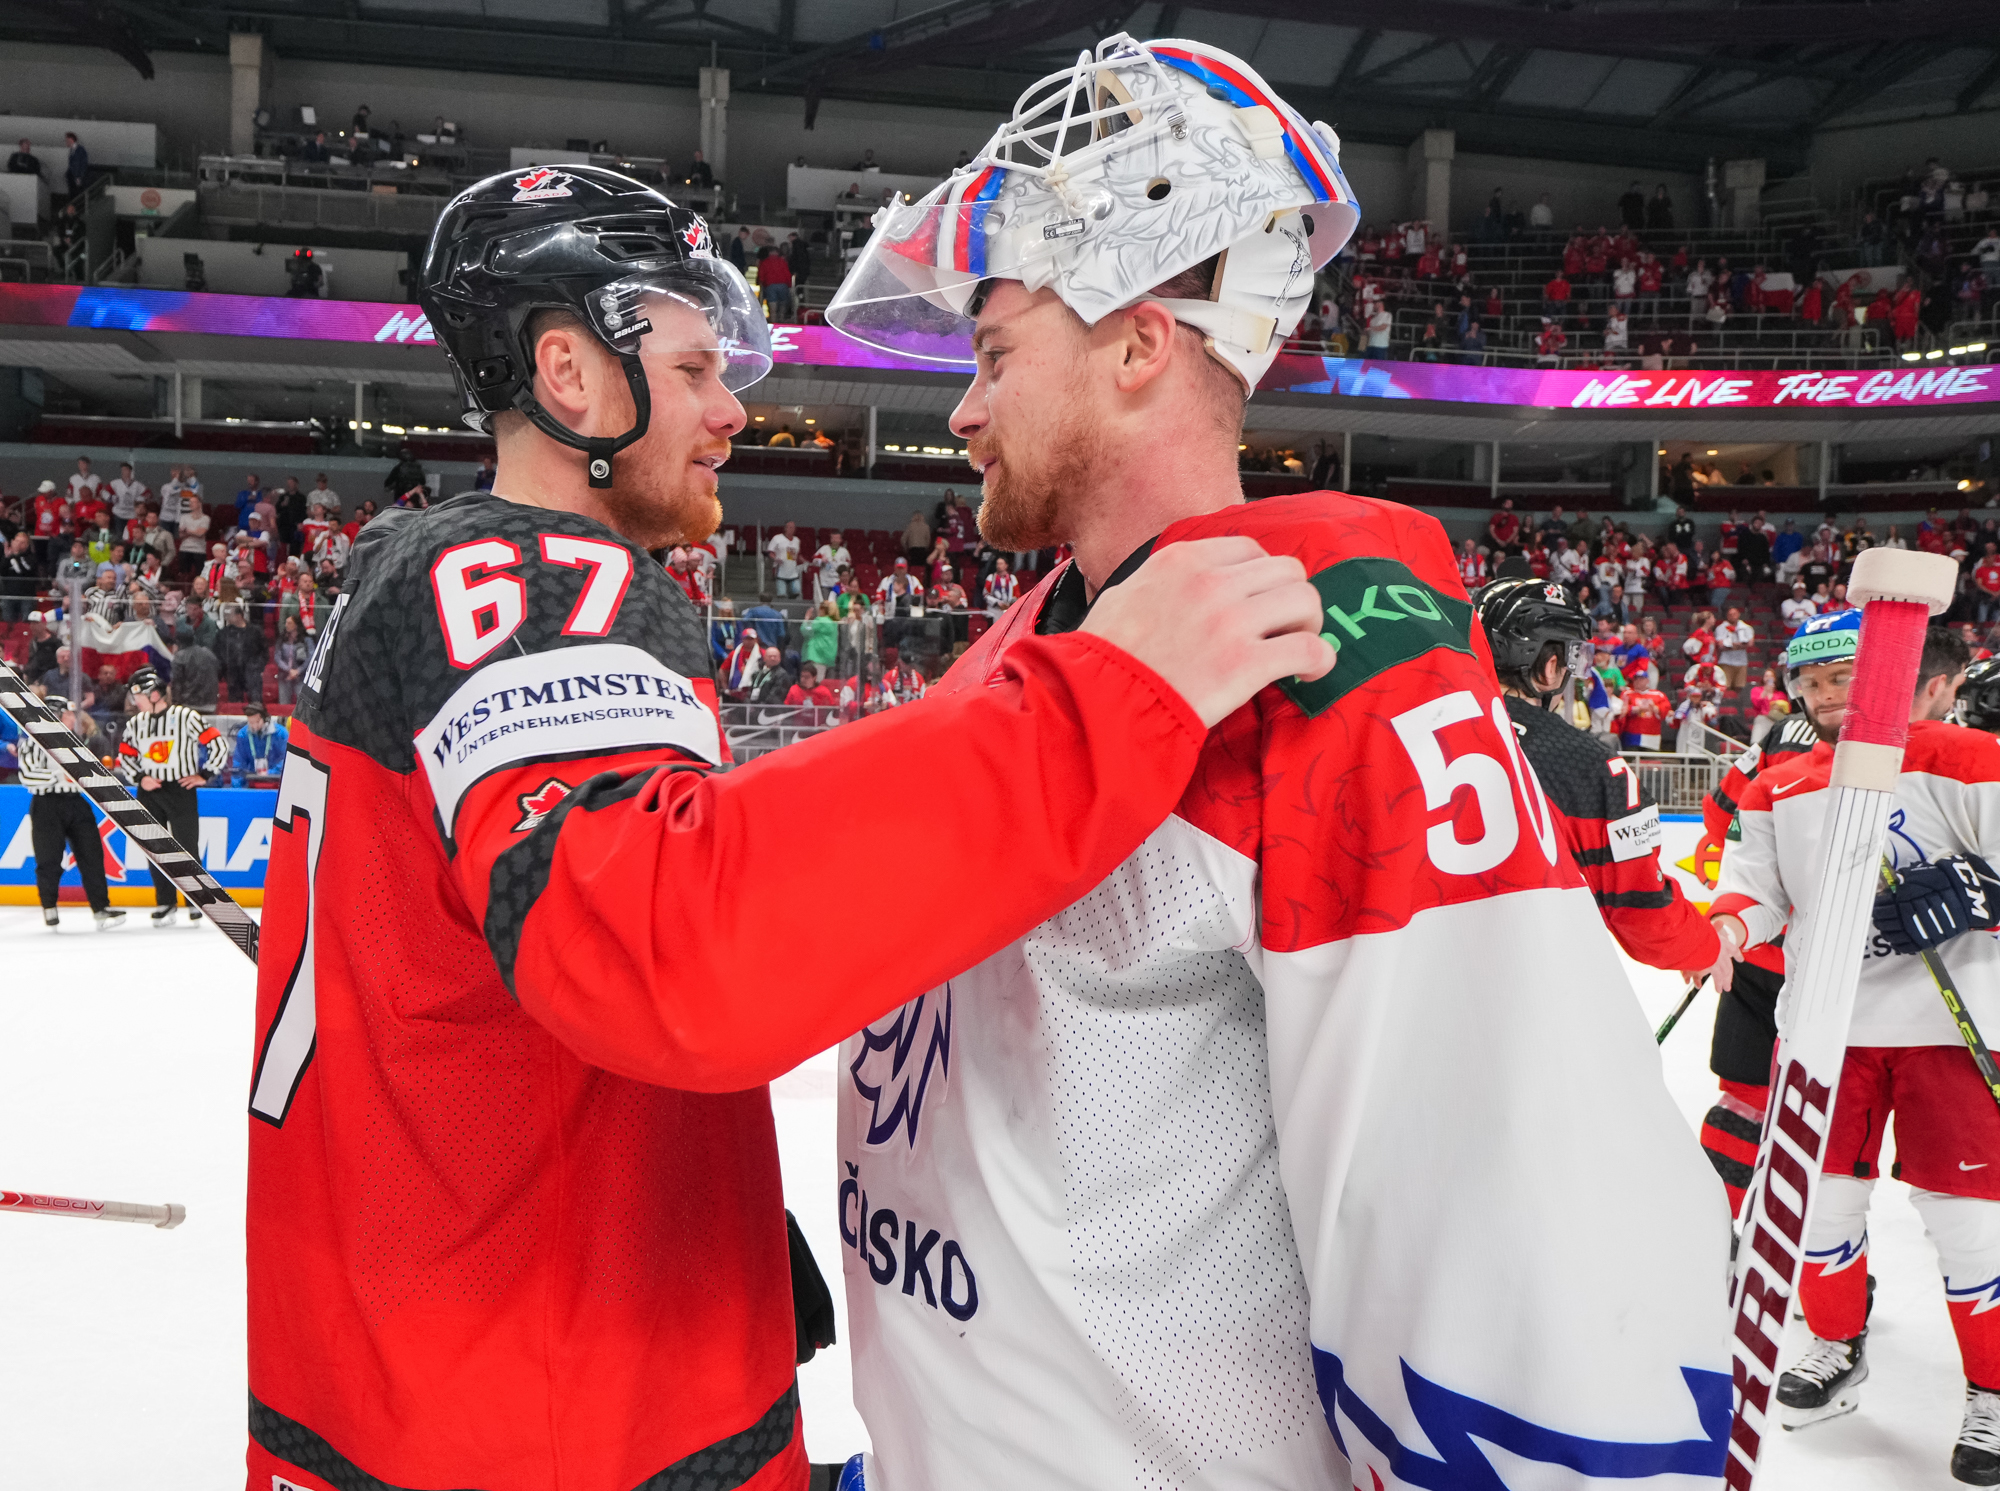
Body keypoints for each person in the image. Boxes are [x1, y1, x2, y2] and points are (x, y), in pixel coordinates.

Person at [245, 160, 1333, 1491]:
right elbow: (667, 941)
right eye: (699, 368)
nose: (729, 411)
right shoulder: (531, 578)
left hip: (407, 1397)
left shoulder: (407, 568)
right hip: (561, 1430)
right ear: (572, 377)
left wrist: (706, 1214)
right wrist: (1110, 694)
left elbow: (488, 990)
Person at [823, 35, 1727, 1491]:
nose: (963, 409)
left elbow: (1511, 1261)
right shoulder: (1026, 640)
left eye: (995, 354)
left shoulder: (1335, 664)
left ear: (1139, 344)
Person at [1711, 620, 2000, 1482]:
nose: (1829, 693)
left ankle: (1992, 1388)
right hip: (1824, 1034)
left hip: (1952, 1030)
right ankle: (1836, 1343)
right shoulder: (1777, 785)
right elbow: (1753, 892)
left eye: (1846, 674)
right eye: (1811, 680)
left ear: (1889, 672)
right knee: (1817, 1208)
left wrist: (1982, 888)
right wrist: (1726, 927)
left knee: (1970, 1225)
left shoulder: (1966, 754)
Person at [1477, 579, 1726, 978]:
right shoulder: (1591, 767)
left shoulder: (1411, 734)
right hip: (1528, 986)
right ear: (1550, 664)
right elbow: (1642, 910)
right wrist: (1703, 948)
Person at [116, 665, 226, 925]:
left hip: (180, 789)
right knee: (155, 849)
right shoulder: (136, 723)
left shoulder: (185, 716)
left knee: (187, 848)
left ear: (155, 694)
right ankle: (165, 903)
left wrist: (205, 774)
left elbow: (217, 743)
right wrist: (140, 778)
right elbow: (125, 756)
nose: (135, 702)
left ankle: (197, 901)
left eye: (138, 696)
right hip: (150, 792)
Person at [19, 694, 124, 930]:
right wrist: (60, 776)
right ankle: (49, 907)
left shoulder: (76, 741)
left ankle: (101, 908)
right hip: (47, 804)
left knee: (93, 855)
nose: (71, 718)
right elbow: (27, 776)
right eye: (66, 714)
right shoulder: (33, 741)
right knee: (49, 859)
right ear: (54, 715)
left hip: (76, 802)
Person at [231, 702, 289, 786]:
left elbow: (284, 760)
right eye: (251, 722)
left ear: (265, 718)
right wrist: (236, 789)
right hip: (252, 780)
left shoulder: (280, 733)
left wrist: (270, 773)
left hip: (277, 781)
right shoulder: (243, 735)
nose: (254, 726)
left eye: (257, 722)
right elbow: (239, 763)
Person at [765, 519, 803, 599]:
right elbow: (769, 552)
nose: (791, 529)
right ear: (785, 528)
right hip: (781, 570)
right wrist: (775, 558)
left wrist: (804, 561)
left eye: (793, 527)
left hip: (793, 571)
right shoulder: (777, 538)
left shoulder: (796, 540)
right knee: (782, 595)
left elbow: (797, 554)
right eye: (790, 527)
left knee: (796, 592)